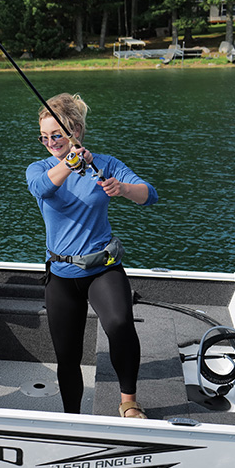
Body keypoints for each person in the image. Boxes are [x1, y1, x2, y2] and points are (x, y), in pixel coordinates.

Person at [25, 93, 158, 417]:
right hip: (61, 275)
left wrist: (122, 189)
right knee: (67, 355)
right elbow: (41, 188)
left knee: (120, 324)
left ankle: (128, 402)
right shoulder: (40, 168)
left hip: (102, 268)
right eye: (44, 137)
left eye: (56, 135)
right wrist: (69, 164)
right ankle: (72, 417)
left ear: (75, 131)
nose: (50, 142)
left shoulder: (105, 164)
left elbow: (149, 195)